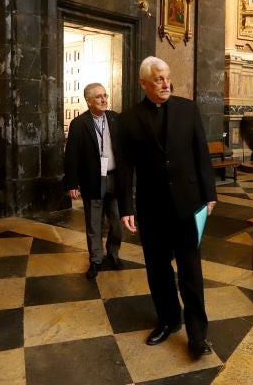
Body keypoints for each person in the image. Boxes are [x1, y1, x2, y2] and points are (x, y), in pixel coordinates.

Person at [117, 57, 217, 358]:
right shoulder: (129, 119)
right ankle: (169, 320)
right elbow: (124, 167)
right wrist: (126, 207)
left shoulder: (188, 109)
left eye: (168, 77)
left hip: (188, 205)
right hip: (151, 208)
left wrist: (209, 194)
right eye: (159, 79)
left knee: (191, 272)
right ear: (144, 83)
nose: (165, 83)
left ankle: (198, 334)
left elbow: (201, 154)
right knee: (158, 271)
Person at [63, 83, 124, 279]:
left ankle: (113, 254)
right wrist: (72, 183)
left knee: (116, 222)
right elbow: (71, 155)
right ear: (88, 101)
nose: (104, 99)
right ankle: (96, 260)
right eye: (99, 97)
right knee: (94, 223)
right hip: (92, 179)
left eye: (105, 95)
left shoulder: (115, 118)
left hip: (115, 177)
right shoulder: (79, 124)